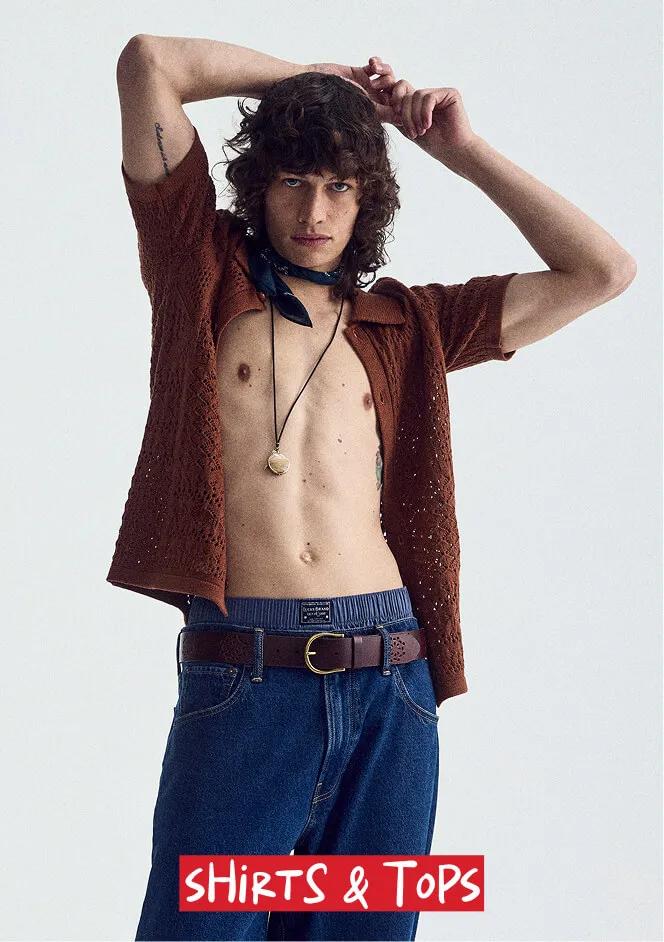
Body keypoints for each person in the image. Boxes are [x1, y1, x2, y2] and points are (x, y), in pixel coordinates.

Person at [112, 35, 636, 941]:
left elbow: (604, 271)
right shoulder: (198, 270)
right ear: (260, 185)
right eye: (294, 180)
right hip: (247, 679)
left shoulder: (409, 325)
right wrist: (320, 84)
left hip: (394, 685)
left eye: (340, 185)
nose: (315, 209)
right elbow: (149, 61)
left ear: (368, 201)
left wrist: (460, 149)